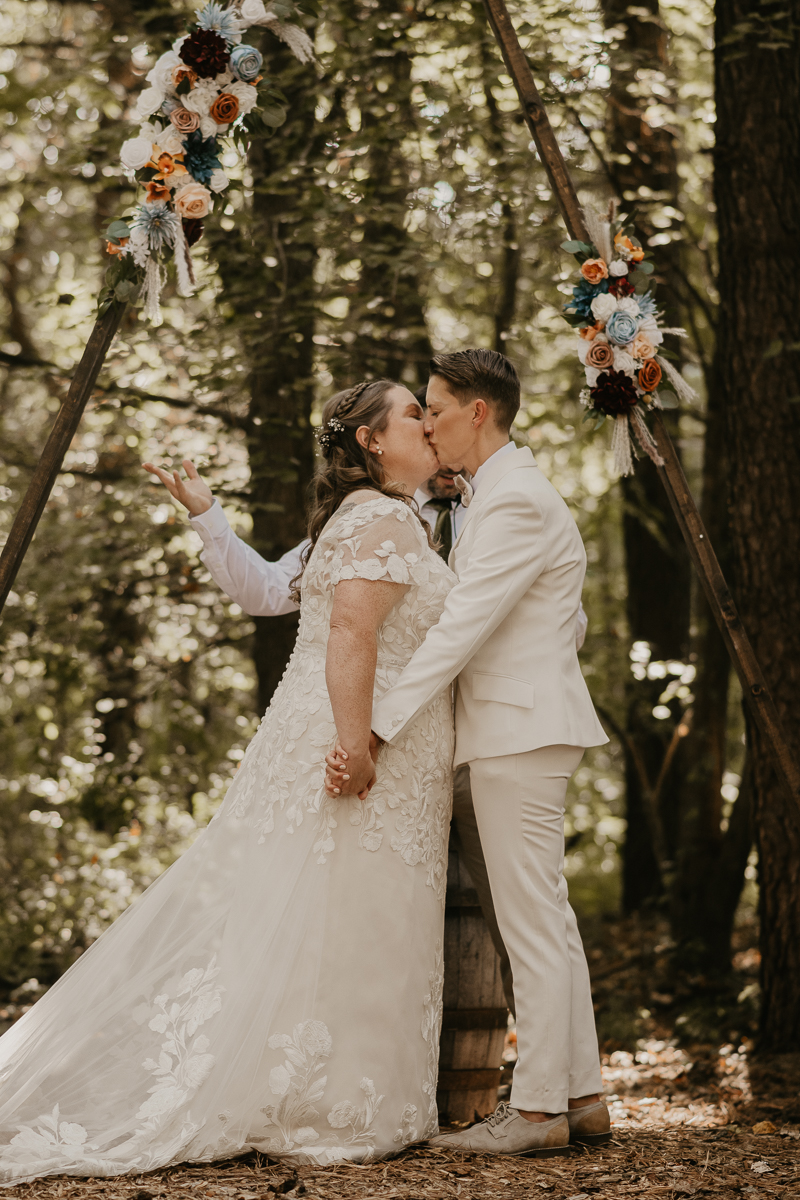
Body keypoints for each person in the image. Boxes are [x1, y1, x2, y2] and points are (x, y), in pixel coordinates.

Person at [0, 379, 458, 1182]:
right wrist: (358, 743)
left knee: (321, 906)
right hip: (346, 735)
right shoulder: (376, 520)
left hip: (326, 729)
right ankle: (322, 1097)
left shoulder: (381, 519)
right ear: (372, 443)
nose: (429, 422)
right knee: (340, 902)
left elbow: (290, 602)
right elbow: (306, 611)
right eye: (414, 413)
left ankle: (307, 1083)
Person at [184, 423, 588, 1021]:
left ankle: (548, 1085)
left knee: (516, 918)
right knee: (362, 909)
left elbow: (559, 622)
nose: (432, 433)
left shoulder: (500, 508)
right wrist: (208, 518)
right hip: (385, 750)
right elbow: (271, 589)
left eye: (437, 422)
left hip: (477, 740)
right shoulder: (367, 522)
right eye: (420, 424)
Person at [326, 349, 611, 1158]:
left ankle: (539, 1110)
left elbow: (462, 627)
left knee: (529, 924)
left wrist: (378, 723)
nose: (429, 421)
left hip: (518, 730)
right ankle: (583, 1097)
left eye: (437, 408)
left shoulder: (515, 499)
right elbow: (565, 618)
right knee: (546, 920)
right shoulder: (498, 495)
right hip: (524, 723)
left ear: (476, 412)